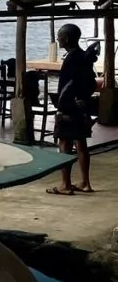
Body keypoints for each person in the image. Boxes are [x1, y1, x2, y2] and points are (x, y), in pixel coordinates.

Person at [48, 23, 96, 195]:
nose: (58, 39)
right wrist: (83, 98)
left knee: (64, 143)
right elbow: (91, 82)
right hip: (81, 108)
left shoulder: (72, 59)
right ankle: (85, 182)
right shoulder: (84, 57)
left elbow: (69, 86)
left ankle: (65, 184)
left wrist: (67, 104)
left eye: (60, 36)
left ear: (66, 38)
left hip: (69, 109)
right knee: (81, 143)